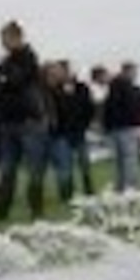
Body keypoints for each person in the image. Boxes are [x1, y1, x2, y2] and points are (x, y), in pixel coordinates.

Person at [0, 20, 42, 221]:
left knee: (33, 168)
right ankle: (2, 212)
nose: (3, 43)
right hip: (8, 122)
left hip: (27, 120)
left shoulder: (29, 58)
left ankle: (36, 209)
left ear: (17, 37)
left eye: (6, 39)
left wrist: (4, 79)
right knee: (7, 169)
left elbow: (18, 80)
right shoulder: (4, 62)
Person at [102, 60, 140, 192]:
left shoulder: (114, 87)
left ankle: (120, 188)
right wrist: (139, 121)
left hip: (117, 128)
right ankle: (130, 188)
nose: (135, 74)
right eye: (133, 72)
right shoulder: (130, 89)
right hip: (127, 128)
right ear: (127, 71)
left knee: (120, 162)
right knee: (129, 160)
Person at [54, 62, 96, 201]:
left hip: (79, 130)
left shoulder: (81, 88)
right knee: (65, 165)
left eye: (64, 70)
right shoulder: (54, 89)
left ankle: (88, 188)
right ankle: (67, 193)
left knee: (84, 163)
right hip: (61, 132)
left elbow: (89, 107)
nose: (62, 74)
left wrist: (85, 123)